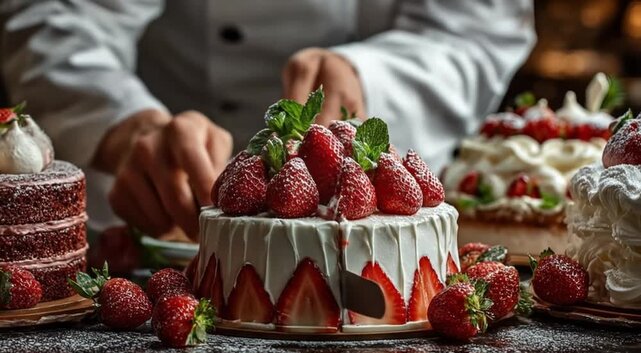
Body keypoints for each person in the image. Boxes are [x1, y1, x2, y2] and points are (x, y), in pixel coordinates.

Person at [0, 0, 535, 240]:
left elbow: (477, 31)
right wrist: (124, 124)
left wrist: (372, 78)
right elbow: (61, 13)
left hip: (372, 222)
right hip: (160, 202)